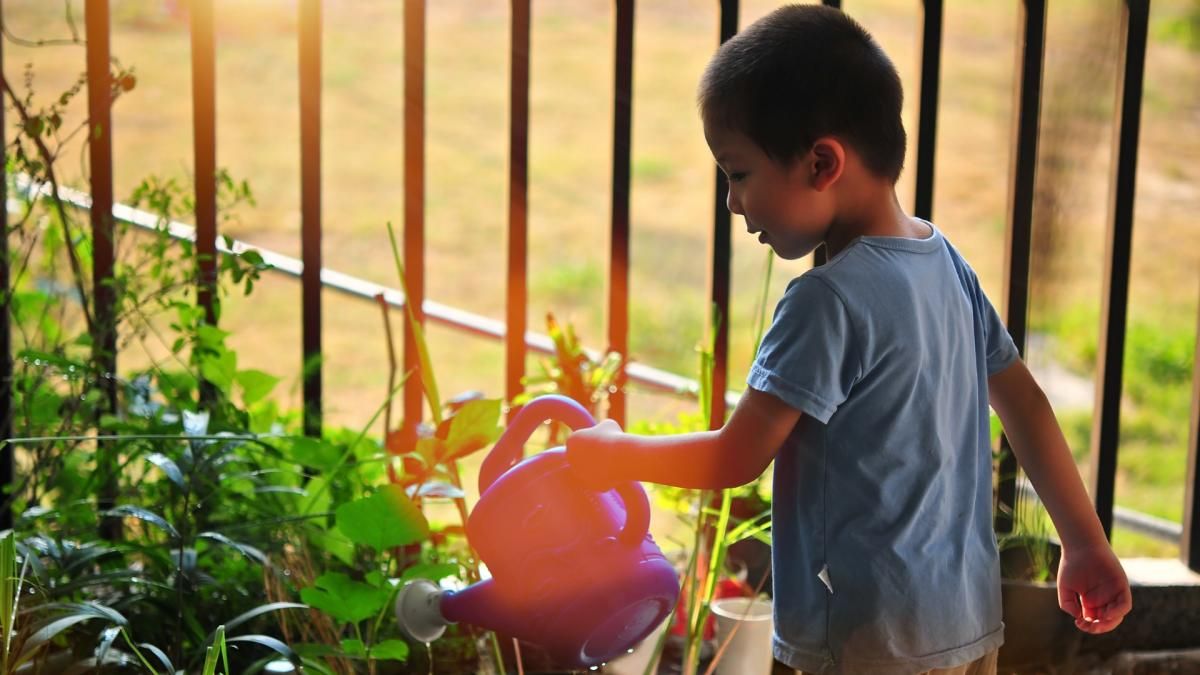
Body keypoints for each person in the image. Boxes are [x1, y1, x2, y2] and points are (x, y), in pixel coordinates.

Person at [565, 5, 1132, 674]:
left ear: (821, 162)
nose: (733, 202)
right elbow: (1026, 404)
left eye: (738, 174)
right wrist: (1084, 541)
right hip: (968, 629)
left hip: (868, 644)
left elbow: (734, 457)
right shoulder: (946, 263)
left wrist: (615, 455)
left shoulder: (825, 302)